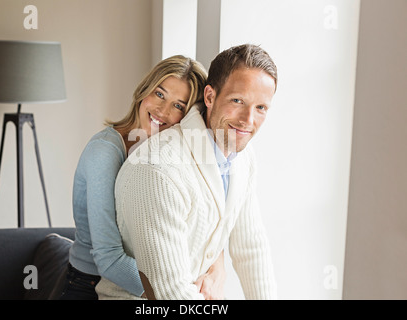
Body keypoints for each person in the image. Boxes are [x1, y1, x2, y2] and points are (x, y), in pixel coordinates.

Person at [96, 44, 278, 300]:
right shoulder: (156, 169)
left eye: (261, 108)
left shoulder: (243, 157)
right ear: (210, 97)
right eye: (238, 101)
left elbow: (251, 249)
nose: (248, 120)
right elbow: (170, 292)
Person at [59, 55, 226, 300]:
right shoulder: (104, 152)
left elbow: (212, 223)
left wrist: (216, 270)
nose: (162, 110)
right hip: (88, 285)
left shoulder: (172, 160)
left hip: (145, 284)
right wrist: (177, 289)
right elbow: (109, 259)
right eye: (159, 94)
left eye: (178, 106)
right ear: (143, 91)